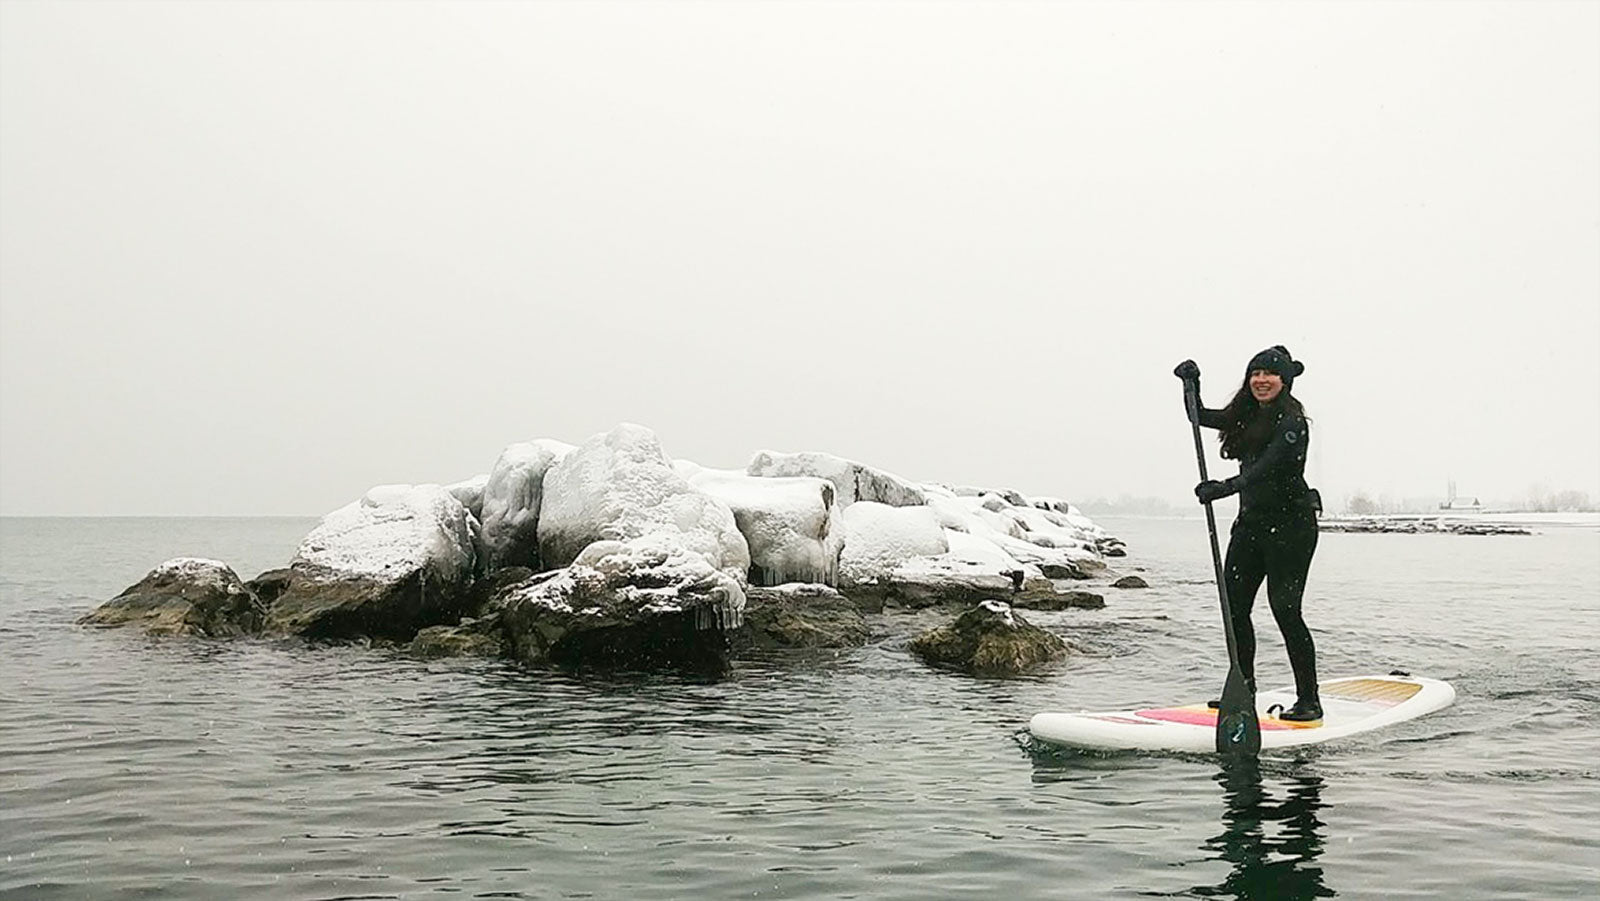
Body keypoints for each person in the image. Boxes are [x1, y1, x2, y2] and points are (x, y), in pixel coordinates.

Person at [1174, 346, 1324, 722]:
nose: (1261, 379)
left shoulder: (1293, 422)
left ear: (1284, 381)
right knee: (1234, 609)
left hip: (1291, 527)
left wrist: (1224, 487)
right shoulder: (1245, 414)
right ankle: (1244, 688)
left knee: (1285, 610)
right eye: (1255, 372)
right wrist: (1191, 385)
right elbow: (1198, 417)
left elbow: (1269, 469)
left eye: (1269, 374)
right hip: (1252, 526)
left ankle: (1309, 700)